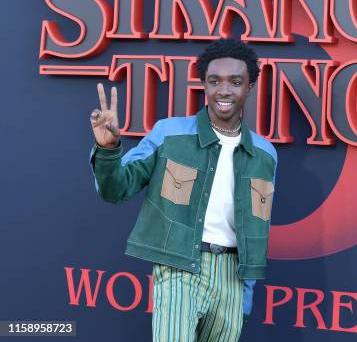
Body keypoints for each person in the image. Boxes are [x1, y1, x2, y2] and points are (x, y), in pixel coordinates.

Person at [89, 38, 277, 341]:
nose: (224, 91)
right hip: (179, 267)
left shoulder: (265, 154)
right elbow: (116, 189)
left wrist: (246, 291)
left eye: (235, 82)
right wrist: (108, 149)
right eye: (214, 81)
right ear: (203, 84)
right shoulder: (169, 132)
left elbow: (257, 228)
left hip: (231, 276)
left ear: (249, 87)